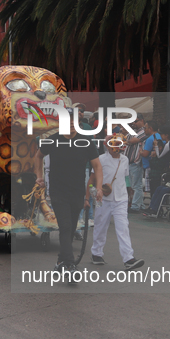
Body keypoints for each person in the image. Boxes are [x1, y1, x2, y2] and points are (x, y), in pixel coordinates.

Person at [34, 106, 103, 279]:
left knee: (71, 228)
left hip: (77, 191)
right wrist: (39, 177)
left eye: (75, 122)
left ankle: (60, 262)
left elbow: (97, 166)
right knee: (65, 226)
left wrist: (99, 187)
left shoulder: (86, 142)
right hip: (58, 191)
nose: (72, 125)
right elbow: (38, 156)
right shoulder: (53, 140)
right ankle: (70, 265)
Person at [88, 134, 144, 270]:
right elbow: (92, 180)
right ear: (107, 145)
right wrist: (90, 196)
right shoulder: (100, 159)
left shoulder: (124, 160)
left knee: (123, 227)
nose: (116, 148)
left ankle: (128, 258)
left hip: (121, 199)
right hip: (103, 199)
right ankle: (96, 253)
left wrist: (129, 191)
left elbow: (124, 178)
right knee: (100, 227)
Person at [125, 113, 149, 213]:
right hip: (129, 162)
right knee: (133, 185)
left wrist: (127, 140)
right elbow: (125, 138)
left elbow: (133, 140)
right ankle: (140, 204)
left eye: (136, 121)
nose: (134, 123)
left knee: (136, 185)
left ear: (142, 121)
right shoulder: (134, 131)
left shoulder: (143, 131)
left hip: (136, 162)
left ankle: (135, 206)